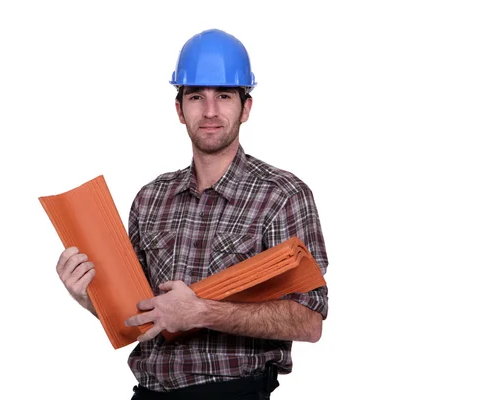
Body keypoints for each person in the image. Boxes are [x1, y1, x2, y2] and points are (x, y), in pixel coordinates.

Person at [55, 28, 329, 399]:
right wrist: (88, 297)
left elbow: (309, 321)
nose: (211, 111)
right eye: (196, 96)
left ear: (246, 108)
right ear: (179, 109)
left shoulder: (282, 196)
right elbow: (139, 318)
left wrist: (202, 312)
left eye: (225, 96)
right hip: (149, 392)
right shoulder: (151, 198)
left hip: (232, 393)